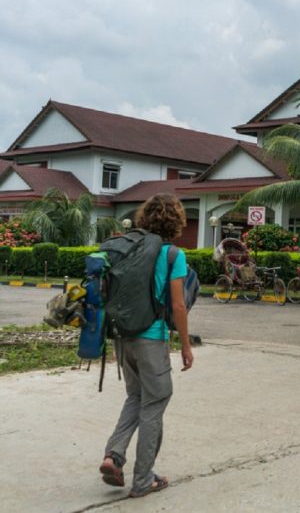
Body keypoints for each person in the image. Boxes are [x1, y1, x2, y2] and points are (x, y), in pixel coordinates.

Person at [99, 193, 194, 498]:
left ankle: (113, 455)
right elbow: (178, 306)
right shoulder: (172, 255)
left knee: (136, 396)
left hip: (122, 336)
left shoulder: (127, 247)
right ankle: (143, 480)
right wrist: (186, 345)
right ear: (176, 221)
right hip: (152, 337)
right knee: (155, 402)